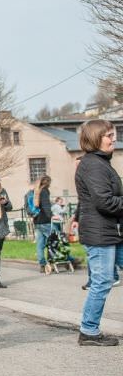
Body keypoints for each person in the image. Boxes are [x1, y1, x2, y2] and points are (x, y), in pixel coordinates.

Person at [74, 119, 121, 346]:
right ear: (95, 138)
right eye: (109, 135)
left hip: (110, 231)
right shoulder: (93, 164)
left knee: (103, 281)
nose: (114, 138)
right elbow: (105, 202)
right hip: (101, 233)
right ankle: (89, 331)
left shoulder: (100, 163)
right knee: (102, 282)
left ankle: (89, 329)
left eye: (113, 134)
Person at [32, 175, 53, 274]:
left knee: (40, 244)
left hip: (37, 220)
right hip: (45, 220)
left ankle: (42, 264)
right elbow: (45, 205)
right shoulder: (44, 191)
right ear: (47, 182)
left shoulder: (37, 191)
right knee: (54, 240)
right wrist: (51, 216)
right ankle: (55, 260)